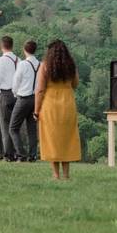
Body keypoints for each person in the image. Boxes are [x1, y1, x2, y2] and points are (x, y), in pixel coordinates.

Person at [34, 40, 81, 179]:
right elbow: (75, 84)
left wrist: (36, 110)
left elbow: (40, 90)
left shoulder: (45, 66)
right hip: (68, 103)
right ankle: (66, 175)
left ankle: (55, 175)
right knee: (66, 138)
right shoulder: (71, 65)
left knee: (52, 138)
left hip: (50, 105)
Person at [10, 40, 41, 162]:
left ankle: (21, 154)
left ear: (24, 50)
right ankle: (32, 155)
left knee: (13, 127)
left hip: (23, 98)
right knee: (32, 129)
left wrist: (15, 93)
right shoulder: (40, 64)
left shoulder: (22, 64)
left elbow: (16, 82)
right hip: (35, 99)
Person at [0, 36, 20, 160]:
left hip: (4, 94)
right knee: (15, 126)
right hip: (17, 95)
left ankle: (8, 154)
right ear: (12, 46)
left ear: (1, 46)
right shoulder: (18, 60)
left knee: (5, 126)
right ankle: (17, 151)